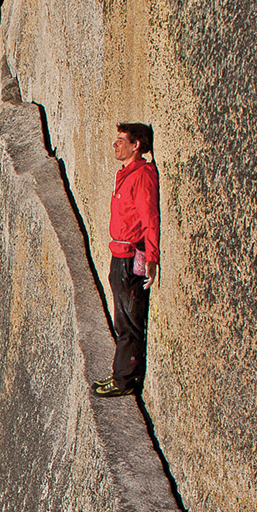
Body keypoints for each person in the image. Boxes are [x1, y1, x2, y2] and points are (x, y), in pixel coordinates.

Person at [93, 121, 159, 398]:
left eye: (121, 140)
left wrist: (152, 258)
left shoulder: (143, 175)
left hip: (132, 256)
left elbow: (150, 217)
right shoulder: (126, 174)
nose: (115, 144)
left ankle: (124, 380)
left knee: (128, 321)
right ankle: (121, 374)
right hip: (119, 253)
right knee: (122, 318)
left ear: (137, 146)